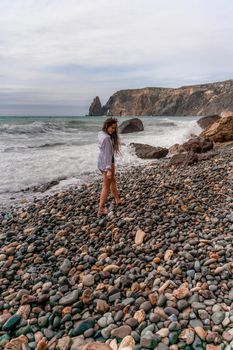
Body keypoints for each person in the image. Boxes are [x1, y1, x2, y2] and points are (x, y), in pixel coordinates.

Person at [97, 117, 122, 215]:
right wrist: (108, 169)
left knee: (113, 180)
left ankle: (117, 199)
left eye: (115, 128)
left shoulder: (101, 134)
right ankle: (101, 208)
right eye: (112, 127)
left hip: (101, 161)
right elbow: (108, 154)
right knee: (106, 186)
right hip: (107, 163)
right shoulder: (107, 138)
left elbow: (104, 151)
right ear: (106, 126)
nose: (113, 130)